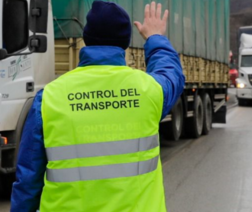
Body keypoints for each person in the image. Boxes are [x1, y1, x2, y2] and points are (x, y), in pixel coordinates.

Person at [10, 1, 185, 212]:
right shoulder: (149, 91)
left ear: (86, 38)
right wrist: (155, 37)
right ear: (125, 42)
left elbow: (28, 180)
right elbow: (172, 74)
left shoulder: (49, 98)